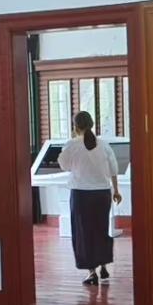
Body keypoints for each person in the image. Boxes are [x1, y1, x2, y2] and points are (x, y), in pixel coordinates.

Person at [58, 111, 122, 286]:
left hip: (81, 195)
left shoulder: (72, 144)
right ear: (92, 124)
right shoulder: (104, 145)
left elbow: (64, 165)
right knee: (101, 229)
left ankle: (91, 272)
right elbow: (113, 169)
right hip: (102, 194)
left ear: (76, 126)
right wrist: (116, 191)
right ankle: (104, 266)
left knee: (83, 233)